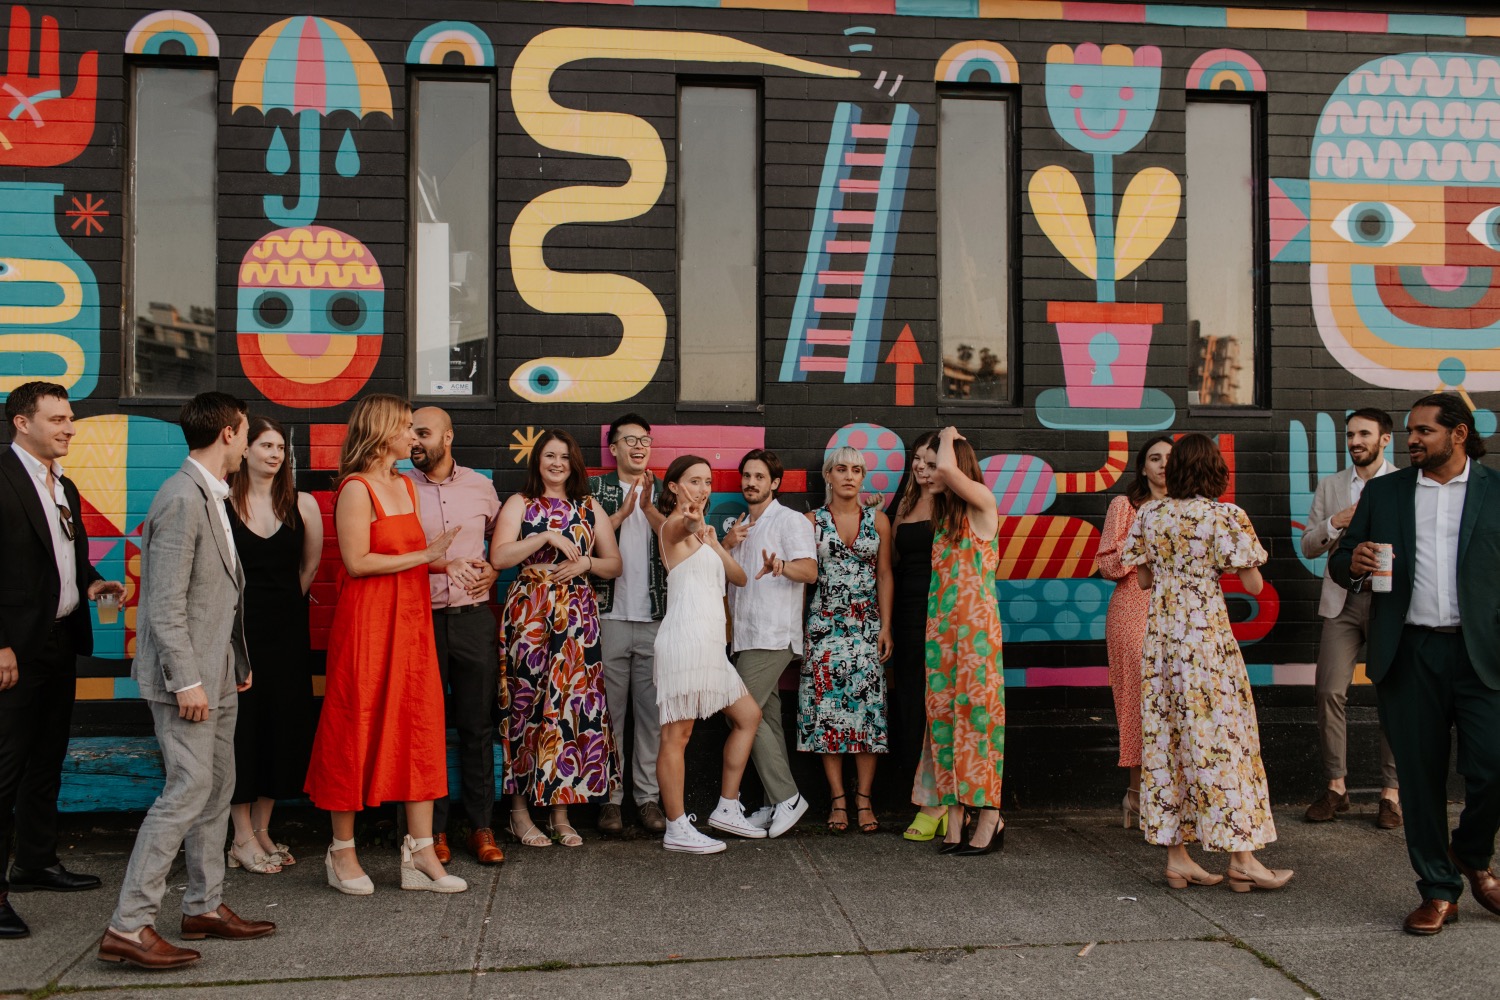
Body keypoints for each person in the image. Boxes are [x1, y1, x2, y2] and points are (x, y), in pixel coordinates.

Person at [100, 392, 271, 970]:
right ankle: (128, 924)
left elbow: (219, 595)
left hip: (218, 673)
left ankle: (204, 905)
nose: (249, 442)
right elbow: (164, 605)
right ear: (228, 433)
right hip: (187, 682)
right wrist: (187, 682)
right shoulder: (180, 497)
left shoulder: (212, 494)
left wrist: (233, 666)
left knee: (217, 789)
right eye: (246, 431)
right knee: (185, 792)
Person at [1330, 394, 1500, 936]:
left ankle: (1470, 851)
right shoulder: (1385, 492)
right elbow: (1340, 560)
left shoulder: (1497, 492)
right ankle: (1438, 889)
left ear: (1459, 433)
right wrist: (1351, 564)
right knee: (1421, 781)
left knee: (1494, 768)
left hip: (1484, 656)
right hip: (1409, 652)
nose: (1413, 440)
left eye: (1424, 431)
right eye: (1409, 431)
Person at [304, 395, 466, 896]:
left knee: (419, 725)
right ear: (381, 433)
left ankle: (419, 852)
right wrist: (427, 553)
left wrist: (447, 565)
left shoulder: (404, 486)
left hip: (411, 621)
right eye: (406, 429)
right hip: (369, 624)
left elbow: (404, 557)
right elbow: (357, 562)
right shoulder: (356, 488)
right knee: (356, 722)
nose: (414, 438)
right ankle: (342, 852)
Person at [1123, 433, 1291, 893]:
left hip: (1161, 643)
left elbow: (1140, 578)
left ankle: (1179, 860)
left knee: (1168, 743)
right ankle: (1243, 859)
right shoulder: (1225, 516)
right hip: (1206, 644)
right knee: (1226, 740)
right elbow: (1254, 586)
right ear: (1214, 470)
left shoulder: (1149, 514)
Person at [0, 382, 122, 940]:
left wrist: (94, 583)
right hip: (14, 650)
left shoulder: (64, 485)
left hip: (57, 642)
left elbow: (69, 557)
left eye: (70, 418)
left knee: (47, 758)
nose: (69, 428)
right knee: (5, 771)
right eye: (57, 419)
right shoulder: (2, 477)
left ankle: (35, 861)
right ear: (23, 423)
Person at [492, 430, 621, 848]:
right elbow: (499, 557)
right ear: (537, 460)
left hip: (577, 622)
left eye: (565, 456)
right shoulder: (520, 503)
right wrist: (545, 537)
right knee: (525, 707)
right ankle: (519, 814)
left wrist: (585, 561)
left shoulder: (588, 506)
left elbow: (614, 564)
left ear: (574, 463)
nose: (557, 463)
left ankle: (561, 812)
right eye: (549, 455)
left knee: (568, 711)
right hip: (530, 618)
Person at [223, 417, 322, 876]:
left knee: (281, 727)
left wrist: (282, 610)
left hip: (286, 633)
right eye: (265, 444)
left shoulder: (301, 504)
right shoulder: (222, 503)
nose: (274, 454)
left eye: (280, 446)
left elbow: (307, 570)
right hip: (237, 634)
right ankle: (240, 836)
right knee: (242, 730)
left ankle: (263, 829)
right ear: (244, 449)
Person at [651, 456, 764, 853]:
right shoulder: (672, 528)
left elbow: (739, 577)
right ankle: (676, 826)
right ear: (674, 487)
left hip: (711, 648)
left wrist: (717, 542)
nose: (702, 488)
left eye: (708, 482)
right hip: (684, 642)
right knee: (676, 736)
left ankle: (727, 808)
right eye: (694, 481)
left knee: (749, 717)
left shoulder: (706, 536)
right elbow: (686, 524)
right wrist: (695, 523)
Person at [407, 407, 504, 866]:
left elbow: (499, 545)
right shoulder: (400, 488)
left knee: (476, 725)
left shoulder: (481, 487)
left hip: (471, 618)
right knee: (425, 729)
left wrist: (495, 571)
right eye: (411, 434)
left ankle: (482, 827)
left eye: (423, 433)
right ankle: (434, 833)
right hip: (419, 621)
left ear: (448, 436)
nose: (415, 441)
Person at [1300, 409, 1401, 828]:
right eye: (1350, 434)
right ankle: (1336, 788)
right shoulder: (1332, 485)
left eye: (1364, 433)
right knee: (1329, 692)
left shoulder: (1404, 484)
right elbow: (1308, 546)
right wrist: (1333, 522)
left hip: (1390, 605)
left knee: (1392, 696)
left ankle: (1391, 794)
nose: (1355, 440)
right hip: (1341, 602)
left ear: (1385, 439)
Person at [915, 426, 1005, 855]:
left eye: (933, 465)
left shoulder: (983, 505)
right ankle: (955, 814)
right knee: (946, 719)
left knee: (979, 722)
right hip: (942, 635)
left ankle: (989, 814)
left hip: (976, 636)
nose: (927, 471)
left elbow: (950, 467)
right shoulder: (944, 519)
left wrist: (948, 436)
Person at [799, 447, 893, 834]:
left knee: (868, 715)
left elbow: (885, 574)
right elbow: (804, 580)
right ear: (828, 475)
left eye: (857, 470)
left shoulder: (879, 521)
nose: (849, 476)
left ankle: (864, 800)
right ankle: (838, 799)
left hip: (866, 628)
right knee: (827, 716)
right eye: (841, 469)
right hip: (824, 628)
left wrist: (885, 626)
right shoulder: (811, 522)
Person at [723, 449, 815, 838]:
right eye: (746, 475)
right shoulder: (739, 526)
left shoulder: (790, 521)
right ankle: (774, 802)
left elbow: (809, 571)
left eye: (760, 476)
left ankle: (789, 796)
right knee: (764, 719)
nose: (751, 482)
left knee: (740, 713)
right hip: (745, 636)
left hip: (772, 635)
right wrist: (726, 544)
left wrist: (781, 566)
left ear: (775, 483)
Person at [588, 414, 668, 835]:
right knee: (610, 718)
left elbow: (678, 538)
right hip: (609, 617)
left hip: (655, 619)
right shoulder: (594, 490)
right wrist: (620, 514)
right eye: (629, 440)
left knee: (652, 717)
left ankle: (648, 798)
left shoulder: (665, 490)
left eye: (645, 439)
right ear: (613, 447)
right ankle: (611, 800)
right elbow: (586, 542)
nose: (639, 446)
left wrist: (649, 507)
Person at [1095, 434, 1172, 829]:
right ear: (1142, 467)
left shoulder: (1190, 509)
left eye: (1168, 459)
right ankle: (1138, 795)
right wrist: (1141, 542)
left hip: (1180, 615)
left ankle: (1173, 799)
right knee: (1138, 704)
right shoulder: (1125, 506)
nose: (1161, 465)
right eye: (1153, 458)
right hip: (1132, 611)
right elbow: (1108, 565)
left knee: (1176, 705)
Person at [890, 432, 944, 842]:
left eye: (930, 461)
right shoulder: (904, 502)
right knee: (911, 704)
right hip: (907, 614)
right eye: (917, 460)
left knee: (938, 707)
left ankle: (938, 803)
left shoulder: (954, 503)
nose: (921, 468)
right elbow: (889, 564)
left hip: (943, 615)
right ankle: (925, 795)